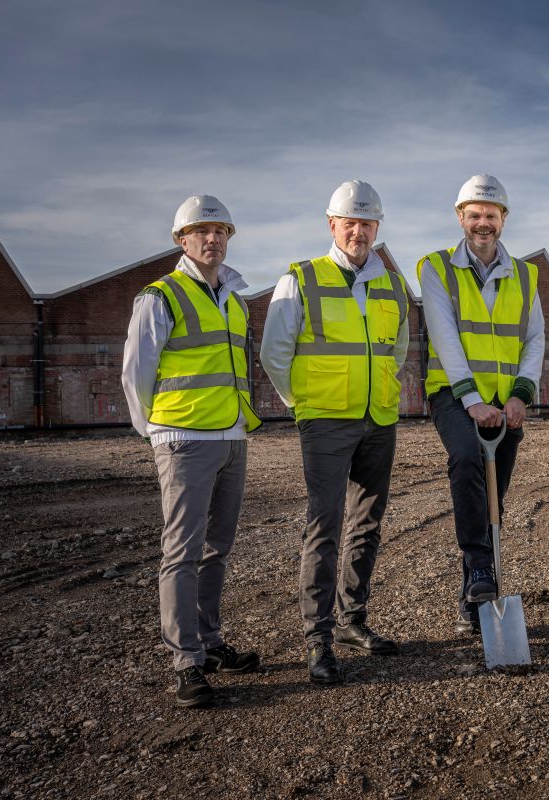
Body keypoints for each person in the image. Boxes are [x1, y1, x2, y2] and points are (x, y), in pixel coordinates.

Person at [261, 180, 410, 684]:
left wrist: (379, 393)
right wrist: (302, 404)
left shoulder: (391, 284)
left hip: (378, 420)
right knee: (324, 526)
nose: (359, 230)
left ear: (376, 228)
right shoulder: (300, 279)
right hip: (324, 421)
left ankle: (352, 621)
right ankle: (317, 640)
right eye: (350, 221)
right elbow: (274, 353)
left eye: (367, 223)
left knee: (367, 523)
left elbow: (398, 351)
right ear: (332, 224)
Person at [121, 195, 262, 709]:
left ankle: (208, 641)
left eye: (220, 231)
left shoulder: (236, 300)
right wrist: (155, 431)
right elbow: (136, 373)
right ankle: (186, 662)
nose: (212, 239)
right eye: (200, 231)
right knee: (181, 552)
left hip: (230, 436)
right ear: (182, 240)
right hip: (183, 439)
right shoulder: (161, 296)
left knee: (216, 548)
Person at [418, 174, 544, 635]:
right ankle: (477, 564)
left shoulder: (526, 275)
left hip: (505, 399)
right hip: (453, 394)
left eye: (491, 215)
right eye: (474, 215)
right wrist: (472, 400)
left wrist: (520, 394)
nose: (483, 223)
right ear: (460, 218)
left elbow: (535, 339)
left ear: (503, 220)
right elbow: (445, 336)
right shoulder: (436, 267)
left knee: (493, 496)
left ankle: (476, 588)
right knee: (468, 458)